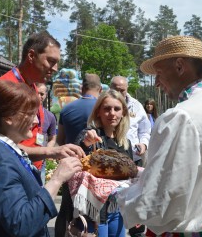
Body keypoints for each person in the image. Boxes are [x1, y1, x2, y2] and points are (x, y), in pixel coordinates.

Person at [116, 36, 202, 236]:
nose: (157, 83)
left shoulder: (180, 116)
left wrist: (120, 194)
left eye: (158, 73)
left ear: (179, 66)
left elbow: (159, 200)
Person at [0, 80, 82, 237]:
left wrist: (54, 151)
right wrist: (57, 179)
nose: (35, 121)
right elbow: (21, 224)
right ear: (8, 117)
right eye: (30, 114)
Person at [0, 30, 85, 163]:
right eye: (51, 61)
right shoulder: (6, 88)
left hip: (32, 165)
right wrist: (50, 151)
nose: (55, 68)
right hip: (13, 169)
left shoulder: (32, 86)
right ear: (31, 56)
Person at [74, 89, 133, 237]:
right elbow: (76, 160)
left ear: (123, 113)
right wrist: (85, 143)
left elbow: (131, 177)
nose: (112, 113)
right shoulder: (90, 135)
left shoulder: (125, 143)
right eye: (106, 108)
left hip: (118, 209)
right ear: (98, 112)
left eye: (117, 109)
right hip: (95, 212)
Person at [55, 73, 102, 237]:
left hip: (72, 166)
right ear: (100, 89)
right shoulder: (103, 108)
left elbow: (59, 140)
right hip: (96, 169)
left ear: (82, 89)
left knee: (66, 209)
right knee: (93, 211)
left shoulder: (67, 109)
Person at [110, 76, 151, 167]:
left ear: (127, 88)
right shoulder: (103, 105)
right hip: (109, 159)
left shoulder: (137, 106)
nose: (119, 94)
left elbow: (145, 131)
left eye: (122, 90)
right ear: (110, 88)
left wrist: (144, 144)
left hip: (134, 158)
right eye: (116, 90)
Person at [34, 82, 57, 183]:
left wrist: (47, 150)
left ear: (46, 95)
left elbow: (53, 138)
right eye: (36, 93)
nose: (39, 96)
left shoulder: (50, 116)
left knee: (40, 187)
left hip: (41, 160)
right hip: (25, 157)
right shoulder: (25, 112)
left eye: (42, 94)